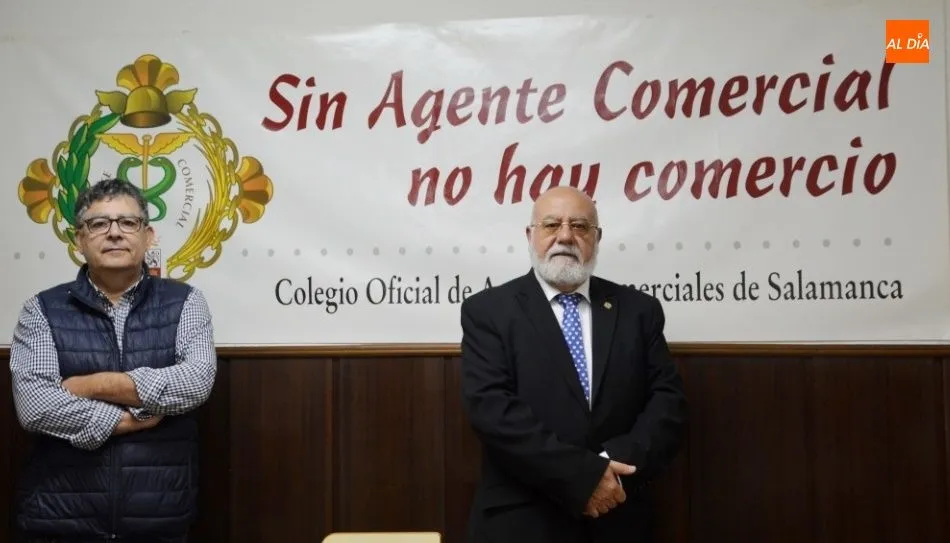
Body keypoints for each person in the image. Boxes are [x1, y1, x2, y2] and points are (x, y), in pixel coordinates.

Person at [459, 186, 687, 543]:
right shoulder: (488, 312)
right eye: (552, 225)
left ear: (597, 238)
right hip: (523, 518)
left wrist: (611, 468)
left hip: (618, 512)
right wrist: (584, 477)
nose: (565, 236)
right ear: (530, 235)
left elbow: (667, 405)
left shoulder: (639, 311)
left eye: (580, 226)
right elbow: (493, 413)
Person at [9, 178, 217, 542]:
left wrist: (91, 386)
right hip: (61, 517)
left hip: (158, 517)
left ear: (148, 235)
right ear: (79, 240)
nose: (115, 233)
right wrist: (130, 419)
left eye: (128, 222)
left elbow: (195, 382)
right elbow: (35, 405)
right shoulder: (42, 309)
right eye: (99, 224)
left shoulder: (186, 302)